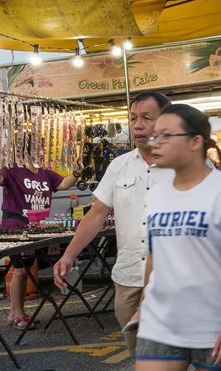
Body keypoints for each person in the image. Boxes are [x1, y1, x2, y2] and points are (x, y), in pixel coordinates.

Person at [132, 104, 221, 371]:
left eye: (165, 136)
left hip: (214, 323)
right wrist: (142, 305)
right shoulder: (156, 194)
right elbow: (155, 256)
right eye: (154, 136)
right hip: (160, 322)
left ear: (195, 141)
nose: (154, 143)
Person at [53, 91, 174, 358]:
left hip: (172, 276)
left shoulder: (185, 163)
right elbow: (96, 214)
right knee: (138, 351)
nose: (138, 125)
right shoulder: (119, 166)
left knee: (168, 354)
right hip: (129, 275)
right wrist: (69, 254)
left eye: (146, 118)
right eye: (133, 118)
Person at [0, 145, 81, 330]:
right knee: (20, 270)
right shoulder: (13, 168)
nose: (40, 151)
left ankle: (16, 312)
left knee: (25, 269)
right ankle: (16, 314)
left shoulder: (44, 171)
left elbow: (63, 184)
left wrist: (77, 172)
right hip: (17, 227)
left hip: (34, 228)